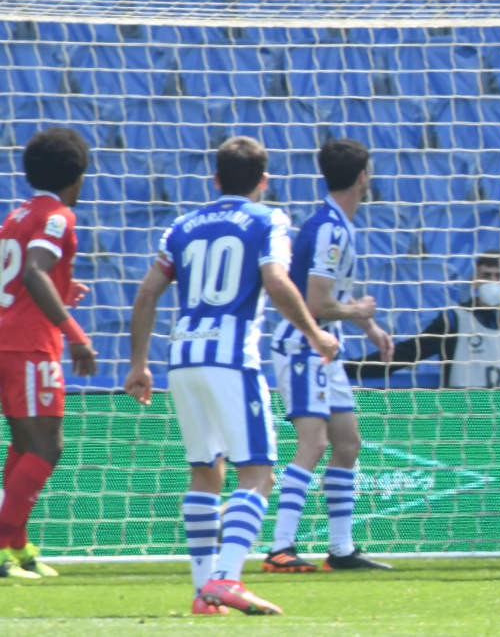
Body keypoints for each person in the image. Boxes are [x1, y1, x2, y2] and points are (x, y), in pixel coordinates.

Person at [124, 136, 340, 616]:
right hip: (232, 359)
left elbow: (146, 294)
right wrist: (314, 334)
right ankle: (226, 579)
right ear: (263, 181)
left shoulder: (181, 226)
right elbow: (276, 280)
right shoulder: (269, 219)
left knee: (205, 473)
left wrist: (139, 363)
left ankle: (204, 594)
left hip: (182, 358)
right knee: (257, 474)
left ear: (216, 178)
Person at [264, 138, 395, 574]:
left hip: (324, 346)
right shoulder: (330, 229)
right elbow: (317, 303)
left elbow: (329, 298)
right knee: (314, 443)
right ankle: (280, 547)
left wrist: (367, 325)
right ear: (363, 177)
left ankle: (341, 550)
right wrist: (358, 311)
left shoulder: (334, 223)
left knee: (348, 442)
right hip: (303, 344)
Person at [0, 128, 95, 579]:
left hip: (8, 338)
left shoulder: (16, 215)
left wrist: (62, 288)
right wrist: (74, 332)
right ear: (77, 177)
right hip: (30, 345)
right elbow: (35, 271)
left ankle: (17, 547)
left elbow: (22, 276)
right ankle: (0, 542)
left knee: (23, 444)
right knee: (48, 446)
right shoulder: (59, 216)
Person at [344, 252, 500, 389]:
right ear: (474, 281)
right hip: (465, 419)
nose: (493, 283)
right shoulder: (454, 320)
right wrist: (346, 369)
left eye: (499, 277)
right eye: (486, 276)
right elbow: (407, 353)